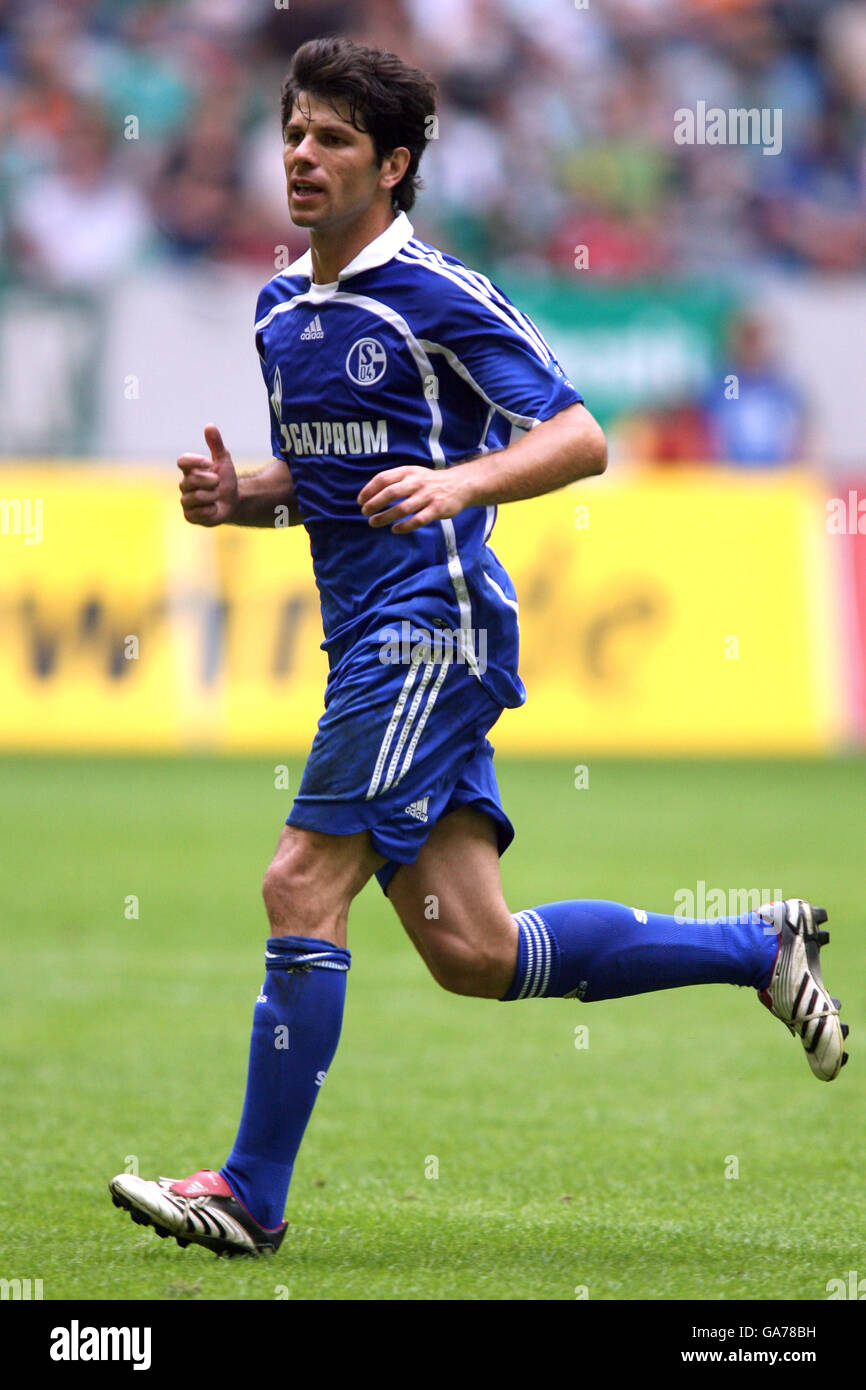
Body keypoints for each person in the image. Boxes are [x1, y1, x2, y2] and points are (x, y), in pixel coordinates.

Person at [110, 37, 847, 1259]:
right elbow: (334, 476)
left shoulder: (439, 294)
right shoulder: (280, 303)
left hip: (430, 628)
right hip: (370, 637)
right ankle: (749, 946)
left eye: (334, 139)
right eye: (293, 130)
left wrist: (462, 483)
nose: (301, 154)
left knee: (300, 881)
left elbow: (576, 435)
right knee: (472, 950)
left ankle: (248, 1192)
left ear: (393, 165)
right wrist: (243, 491)